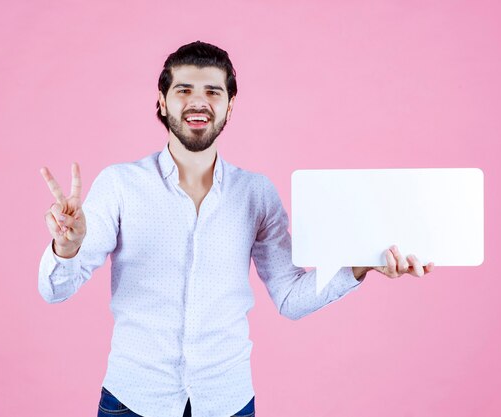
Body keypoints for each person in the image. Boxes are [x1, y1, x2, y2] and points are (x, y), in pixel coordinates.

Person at [38, 40, 434, 417]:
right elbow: (55, 290)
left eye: (213, 91)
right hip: (133, 400)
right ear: (161, 101)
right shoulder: (120, 184)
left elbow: (290, 298)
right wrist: (66, 247)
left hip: (227, 402)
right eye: (184, 89)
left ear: (230, 105)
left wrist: (359, 266)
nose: (198, 101)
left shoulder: (257, 194)